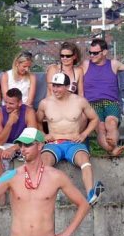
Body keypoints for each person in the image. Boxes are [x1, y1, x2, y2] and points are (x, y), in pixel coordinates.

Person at [37, 72, 103, 204]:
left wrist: (84, 134)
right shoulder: (45, 103)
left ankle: (91, 195)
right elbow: (36, 121)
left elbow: (95, 119)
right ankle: (43, 196)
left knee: (84, 161)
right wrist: (43, 135)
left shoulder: (79, 101)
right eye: (54, 86)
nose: (55, 89)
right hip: (53, 143)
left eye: (59, 86)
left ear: (67, 86)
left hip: (73, 142)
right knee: (44, 162)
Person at [80, 37, 124, 157]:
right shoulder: (86, 64)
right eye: (90, 53)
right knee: (100, 128)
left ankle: (112, 148)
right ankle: (113, 149)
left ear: (104, 52)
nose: (92, 55)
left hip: (111, 102)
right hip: (91, 103)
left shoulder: (113, 64)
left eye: (95, 53)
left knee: (111, 123)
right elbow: (72, 72)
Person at [0, 87, 37, 181]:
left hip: (23, 143)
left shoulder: (29, 112)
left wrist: (14, 148)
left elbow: (32, 137)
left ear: (20, 103)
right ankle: (0, 189)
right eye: (6, 102)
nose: (7, 106)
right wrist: (9, 123)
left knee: (34, 150)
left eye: (11, 103)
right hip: (4, 144)